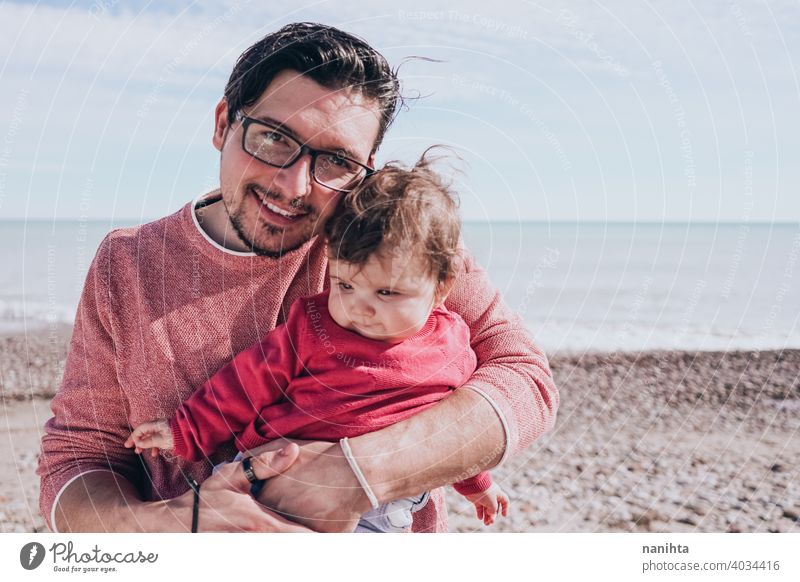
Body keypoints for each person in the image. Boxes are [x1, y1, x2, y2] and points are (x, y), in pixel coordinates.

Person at [37, 22, 558, 533]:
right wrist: (175, 525)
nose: (295, 184)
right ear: (223, 123)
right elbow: (80, 456)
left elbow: (524, 377)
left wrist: (354, 474)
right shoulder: (127, 264)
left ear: (366, 169)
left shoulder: (398, 245)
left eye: (335, 160)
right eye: (272, 138)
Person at [125, 156, 511, 531]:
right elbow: (245, 382)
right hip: (274, 477)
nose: (360, 308)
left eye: (387, 293)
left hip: (385, 501)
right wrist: (184, 430)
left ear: (442, 287)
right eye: (344, 284)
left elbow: (446, 425)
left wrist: (477, 484)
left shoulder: (451, 345)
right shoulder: (313, 327)